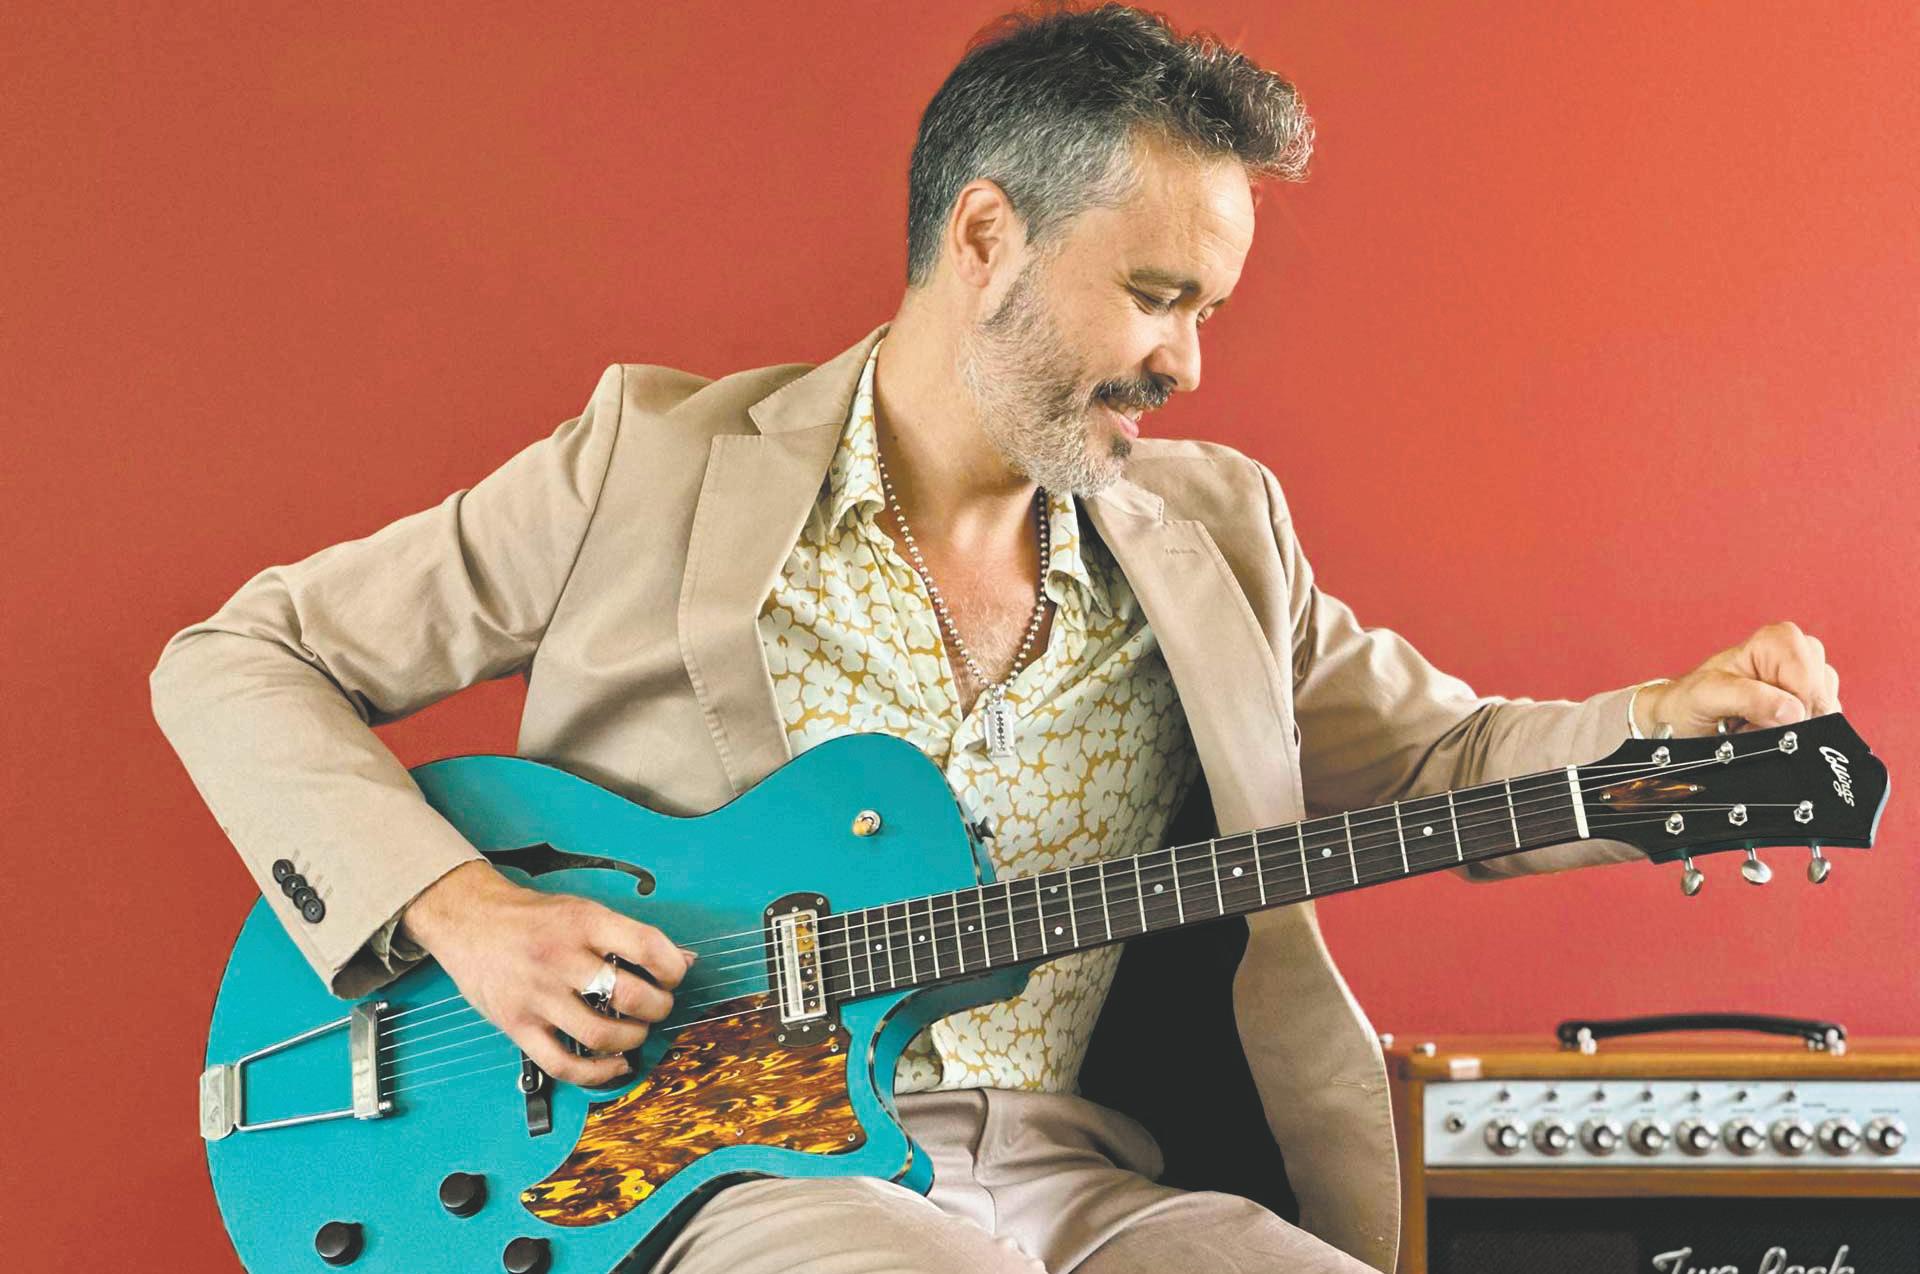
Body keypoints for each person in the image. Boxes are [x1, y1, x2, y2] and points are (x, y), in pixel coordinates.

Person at [149, 4, 1842, 1271]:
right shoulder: (644, 467)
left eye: (1210, 309)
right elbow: (233, 659)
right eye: (1158, 295)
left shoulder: (1218, 531)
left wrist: (1661, 727)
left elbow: (1442, 755)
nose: (1190, 363)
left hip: (1086, 1174)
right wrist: (466, 914)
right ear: (984, 237)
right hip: (723, 1173)